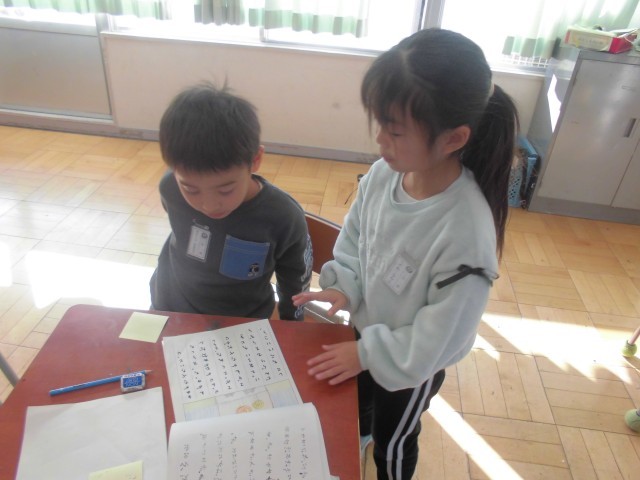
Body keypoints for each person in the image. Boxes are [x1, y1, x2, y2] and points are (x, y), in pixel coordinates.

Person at [292, 28, 519, 479]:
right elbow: (355, 239)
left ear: (452, 139)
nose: (380, 140)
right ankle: (358, 436)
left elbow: (441, 336)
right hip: (366, 332)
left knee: (393, 439)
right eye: (379, 124)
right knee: (358, 404)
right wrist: (346, 287)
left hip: (413, 362)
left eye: (395, 131)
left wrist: (368, 354)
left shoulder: (466, 231)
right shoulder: (384, 174)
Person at [151, 83, 312, 321]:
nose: (209, 205)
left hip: (241, 320)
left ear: (255, 160)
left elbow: (295, 280)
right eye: (191, 189)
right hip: (168, 306)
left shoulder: (282, 216)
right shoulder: (170, 187)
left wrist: (291, 323)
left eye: (225, 190)